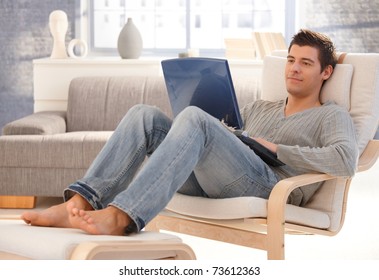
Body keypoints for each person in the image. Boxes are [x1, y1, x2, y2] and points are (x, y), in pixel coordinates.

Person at [21, 29, 358, 236]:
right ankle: (78, 202)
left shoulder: (330, 115)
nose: (294, 68)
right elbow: (236, 147)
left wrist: (278, 149)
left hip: (272, 185)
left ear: (326, 72)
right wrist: (221, 131)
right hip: (225, 177)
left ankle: (121, 215)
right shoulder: (263, 107)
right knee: (145, 116)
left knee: (196, 119)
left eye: (306, 63)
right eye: (291, 60)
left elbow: (347, 160)